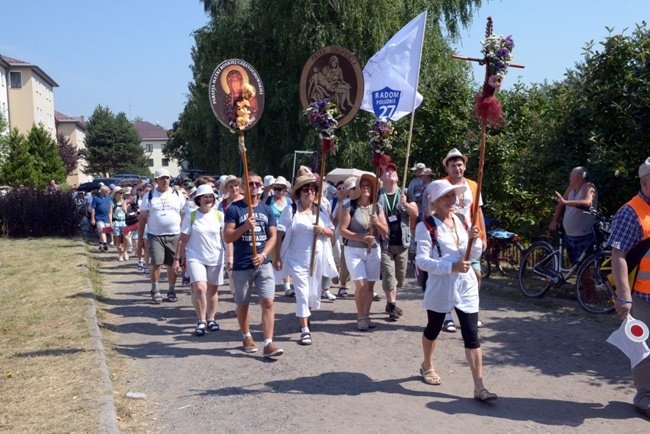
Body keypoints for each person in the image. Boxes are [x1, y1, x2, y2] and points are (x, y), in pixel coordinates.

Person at [415, 179, 496, 401]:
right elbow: (422, 261)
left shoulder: (461, 221)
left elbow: (473, 255)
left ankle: (479, 386)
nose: (453, 200)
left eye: (454, 196)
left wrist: (475, 240)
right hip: (441, 285)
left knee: (471, 333)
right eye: (447, 196)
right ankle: (427, 364)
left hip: (466, 285)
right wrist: (451, 267)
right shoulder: (426, 226)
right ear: (436, 201)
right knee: (434, 327)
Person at [223, 171, 283, 358]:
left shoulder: (266, 209)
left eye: (257, 184)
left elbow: (273, 236)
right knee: (243, 303)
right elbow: (227, 236)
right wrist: (244, 227)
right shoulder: (234, 209)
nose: (254, 187)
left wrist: (264, 254)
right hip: (242, 264)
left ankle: (268, 343)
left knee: (268, 302)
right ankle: (246, 335)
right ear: (242, 187)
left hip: (263, 263)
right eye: (250, 184)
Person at [608, 157, 650, 420]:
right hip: (642, 296)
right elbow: (618, 254)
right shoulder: (630, 211)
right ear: (646, 182)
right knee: (643, 348)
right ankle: (644, 397)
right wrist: (624, 296)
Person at [274, 174, 338, 345]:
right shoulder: (291, 210)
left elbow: (332, 232)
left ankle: (305, 316)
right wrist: (277, 256)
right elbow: (280, 233)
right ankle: (304, 330)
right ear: (298, 192)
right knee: (302, 294)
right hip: (297, 259)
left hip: (316, 259)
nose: (309, 192)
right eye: (305, 189)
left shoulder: (321, 211)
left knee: (311, 294)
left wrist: (322, 230)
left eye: (312, 189)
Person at [439, 148, 488, 332]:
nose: (457, 169)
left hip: (470, 237)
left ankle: (471, 312)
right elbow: (433, 209)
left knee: (475, 275)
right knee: (449, 276)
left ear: (465, 166)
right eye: (453, 165)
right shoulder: (441, 184)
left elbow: (478, 210)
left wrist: (483, 235)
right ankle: (446, 316)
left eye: (459, 165)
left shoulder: (474, 185)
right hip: (449, 236)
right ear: (447, 168)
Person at [338, 173, 388, 331]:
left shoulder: (377, 206)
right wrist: (361, 238)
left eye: (369, 186)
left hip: (373, 250)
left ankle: (366, 316)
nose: (366, 188)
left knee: (370, 286)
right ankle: (360, 317)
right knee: (361, 285)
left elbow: (385, 231)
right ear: (358, 188)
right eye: (363, 185)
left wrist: (377, 223)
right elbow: (342, 231)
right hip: (353, 250)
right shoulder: (349, 206)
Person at [174, 185, 226, 336]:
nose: (209, 199)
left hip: (216, 256)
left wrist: (230, 256)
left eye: (211, 197)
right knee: (200, 288)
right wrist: (177, 259)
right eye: (205, 197)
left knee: (212, 289)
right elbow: (182, 239)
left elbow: (225, 239)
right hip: (195, 257)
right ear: (199, 199)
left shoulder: (219, 216)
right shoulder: (191, 216)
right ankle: (201, 320)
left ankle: (211, 319)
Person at [378, 163, 419, 321]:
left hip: (402, 243)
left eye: (393, 170)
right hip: (385, 243)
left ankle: (391, 303)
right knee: (389, 275)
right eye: (386, 171)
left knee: (399, 279)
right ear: (381, 178)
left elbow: (415, 213)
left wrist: (406, 204)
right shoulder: (378, 195)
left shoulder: (406, 193)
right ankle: (392, 305)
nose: (390, 173)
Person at [137, 169, 184, 304]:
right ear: (156, 180)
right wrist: (140, 239)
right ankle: (155, 289)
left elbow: (184, 213)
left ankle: (171, 290)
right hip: (155, 235)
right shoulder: (150, 195)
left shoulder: (177, 194)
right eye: (162, 178)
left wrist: (184, 233)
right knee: (156, 262)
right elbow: (142, 218)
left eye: (167, 178)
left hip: (174, 234)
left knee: (172, 264)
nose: (165, 181)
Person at [550, 166, 598, 264]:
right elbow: (560, 204)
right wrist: (555, 220)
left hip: (584, 235)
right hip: (570, 236)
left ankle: (589, 280)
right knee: (576, 266)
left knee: (584, 266)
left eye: (570, 176)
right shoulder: (570, 189)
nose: (569, 178)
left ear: (577, 178)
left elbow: (587, 202)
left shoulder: (589, 186)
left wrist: (566, 202)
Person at [266, 176, 295, 297]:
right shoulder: (268, 200)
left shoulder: (289, 201)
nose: (278, 191)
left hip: (286, 234)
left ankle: (287, 287)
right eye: (276, 188)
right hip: (272, 233)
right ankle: (270, 285)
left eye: (281, 188)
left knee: (285, 257)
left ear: (285, 189)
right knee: (274, 257)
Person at [331, 179, 352, 297]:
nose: (342, 190)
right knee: (339, 257)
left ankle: (342, 281)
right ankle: (337, 273)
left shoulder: (353, 201)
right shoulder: (334, 202)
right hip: (337, 233)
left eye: (344, 188)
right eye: (339, 188)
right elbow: (335, 220)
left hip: (349, 235)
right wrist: (340, 205)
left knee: (344, 259)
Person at [91, 185, 112, 252]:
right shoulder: (96, 198)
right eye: (106, 191)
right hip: (99, 218)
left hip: (107, 218)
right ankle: (105, 244)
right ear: (102, 191)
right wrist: (92, 218)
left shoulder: (109, 197)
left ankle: (100, 244)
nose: (108, 192)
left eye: (108, 191)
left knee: (104, 231)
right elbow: (93, 209)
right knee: (102, 230)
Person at [109, 187, 128, 261]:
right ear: (115, 194)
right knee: (118, 239)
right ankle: (120, 254)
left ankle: (125, 251)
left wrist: (125, 207)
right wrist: (111, 223)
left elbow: (126, 211)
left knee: (126, 238)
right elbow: (110, 213)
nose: (122, 194)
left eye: (122, 193)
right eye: (120, 193)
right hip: (116, 222)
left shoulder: (124, 201)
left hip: (124, 222)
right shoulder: (112, 202)